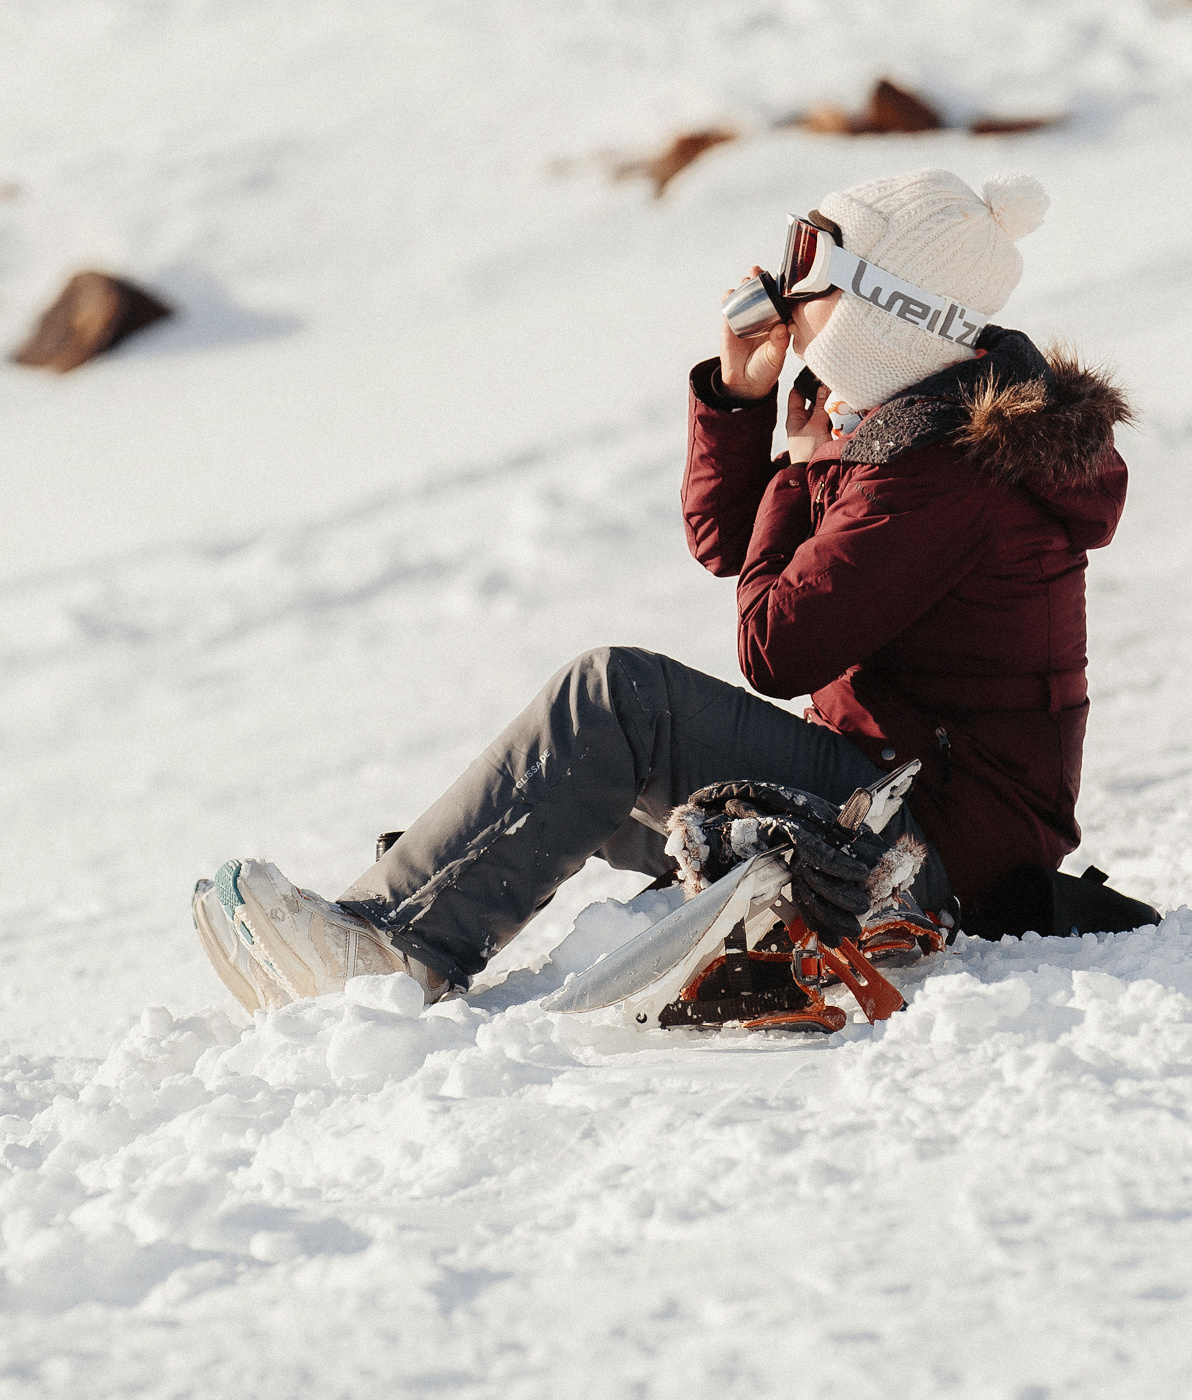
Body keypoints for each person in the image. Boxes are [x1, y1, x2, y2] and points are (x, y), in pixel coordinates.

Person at [193, 167, 1133, 1017]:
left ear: (883, 309)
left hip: (927, 849)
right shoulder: (919, 426)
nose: (781, 306)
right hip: (893, 805)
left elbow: (776, 646)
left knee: (614, 703)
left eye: (805, 284)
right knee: (581, 764)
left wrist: (800, 469)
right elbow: (723, 544)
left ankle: (394, 949)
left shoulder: (940, 471)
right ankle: (396, 918)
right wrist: (740, 396)